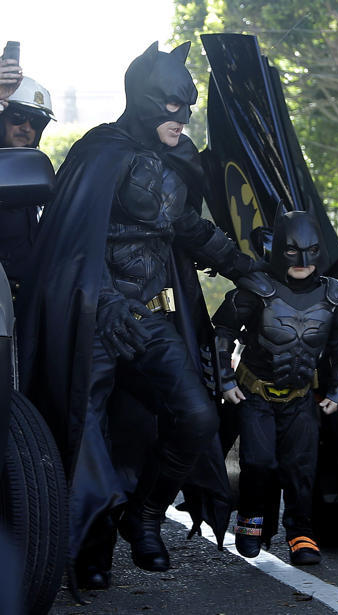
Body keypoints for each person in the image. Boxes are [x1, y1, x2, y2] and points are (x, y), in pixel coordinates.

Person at [17, 42, 259, 591]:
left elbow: (190, 230)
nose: (183, 117)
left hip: (150, 318)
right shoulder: (99, 153)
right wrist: (104, 302)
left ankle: (144, 513)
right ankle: (90, 547)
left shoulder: (177, 158)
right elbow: (75, 242)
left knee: (197, 416)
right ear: (147, 102)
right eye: (175, 107)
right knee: (85, 432)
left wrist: (251, 270)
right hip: (92, 320)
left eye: (188, 106)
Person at [212, 210, 338, 566]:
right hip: (255, 394)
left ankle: (300, 534)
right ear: (279, 250)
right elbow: (221, 334)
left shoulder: (334, 295)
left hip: (301, 397)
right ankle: (250, 523)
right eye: (292, 251)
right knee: (258, 463)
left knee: (300, 467)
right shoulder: (256, 289)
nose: (302, 261)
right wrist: (226, 380)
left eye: (310, 251)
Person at [0, 76, 55, 302]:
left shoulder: (40, 173)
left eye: (37, 122)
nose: (26, 128)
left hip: (28, 300)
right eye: (18, 117)